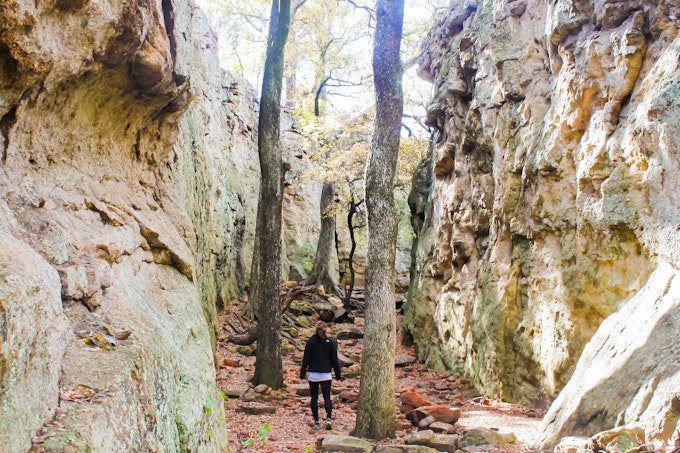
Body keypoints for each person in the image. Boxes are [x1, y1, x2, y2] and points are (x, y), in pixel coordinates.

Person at [300, 320, 341, 429]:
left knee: (314, 398)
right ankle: (328, 418)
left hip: (313, 374)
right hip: (326, 374)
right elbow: (334, 360)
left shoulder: (311, 342)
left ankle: (317, 421)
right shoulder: (330, 342)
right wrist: (338, 374)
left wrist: (302, 373)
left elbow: (306, 359)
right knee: (327, 397)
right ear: (326, 329)